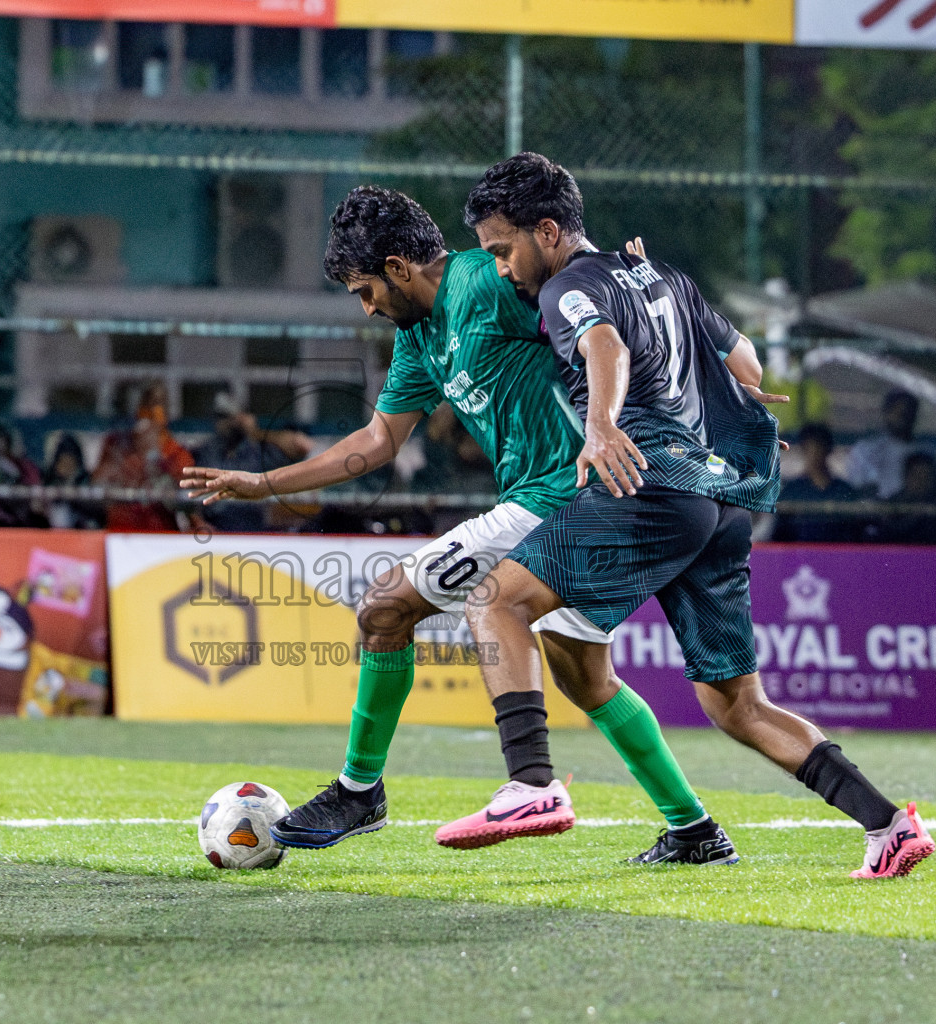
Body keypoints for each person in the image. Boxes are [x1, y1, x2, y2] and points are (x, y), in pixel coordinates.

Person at [185, 185, 738, 865]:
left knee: (386, 606)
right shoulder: (418, 340)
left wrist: (630, 280)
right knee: (586, 676)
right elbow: (375, 443)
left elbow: (586, 306)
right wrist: (265, 483)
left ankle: (367, 791)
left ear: (398, 268)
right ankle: (694, 830)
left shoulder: (485, 280)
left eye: (365, 290)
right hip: (562, 504)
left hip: (561, 494)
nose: (366, 307)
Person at [461, 151, 932, 879]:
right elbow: (748, 366)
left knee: (495, 601)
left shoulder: (571, 288)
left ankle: (530, 783)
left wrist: (602, 424)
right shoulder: (666, 277)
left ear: (548, 231)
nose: (499, 267)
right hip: (716, 501)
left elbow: (604, 345)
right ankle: (887, 824)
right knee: (737, 705)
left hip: (646, 484)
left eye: (502, 249)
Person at [191, 393, 308, 533]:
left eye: (232, 418)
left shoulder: (256, 451)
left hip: (251, 528)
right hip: (214, 528)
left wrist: (254, 432)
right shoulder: (208, 450)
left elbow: (302, 445)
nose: (228, 423)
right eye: (223, 418)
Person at [773, 423, 860, 542]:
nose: (814, 455)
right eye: (808, 449)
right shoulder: (792, 491)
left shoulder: (844, 490)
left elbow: (854, 531)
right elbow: (781, 534)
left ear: (828, 449)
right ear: (803, 451)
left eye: (819, 447)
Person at [845, 390, 919, 499]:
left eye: (907, 413)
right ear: (886, 413)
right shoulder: (865, 449)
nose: (902, 418)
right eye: (897, 412)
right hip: (873, 512)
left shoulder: (921, 452)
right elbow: (856, 486)